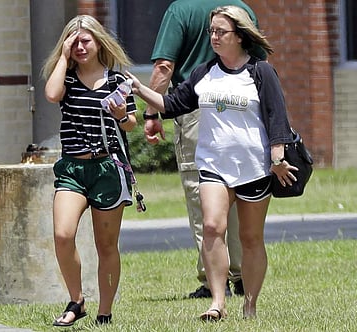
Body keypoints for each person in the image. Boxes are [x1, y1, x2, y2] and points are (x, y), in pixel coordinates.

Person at [127, 5, 297, 320]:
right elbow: (173, 104)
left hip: (253, 167)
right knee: (211, 227)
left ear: (240, 36)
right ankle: (217, 302)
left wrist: (277, 158)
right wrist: (141, 91)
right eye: (212, 32)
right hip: (212, 164)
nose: (214, 37)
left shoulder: (260, 72)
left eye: (221, 32)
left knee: (250, 238)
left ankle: (250, 304)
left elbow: (277, 118)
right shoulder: (204, 72)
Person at [145, 0, 266, 299]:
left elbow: (164, 67)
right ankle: (239, 274)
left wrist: (151, 113)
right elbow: (259, 62)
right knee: (240, 188)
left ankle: (214, 279)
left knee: (203, 193)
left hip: (199, 105)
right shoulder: (241, 8)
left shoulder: (181, 10)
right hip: (243, 108)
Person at [42, 15, 137, 327]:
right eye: (73, 42)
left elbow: (130, 125)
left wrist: (122, 114)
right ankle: (77, 300)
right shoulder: (66, 78)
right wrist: (63, 55)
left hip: (108, 168)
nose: (80, 47)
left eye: (85, 41)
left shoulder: (117, 80)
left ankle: (105, 312)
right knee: (62, 234)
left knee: (106, 245)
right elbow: (52, 95)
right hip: (72, 167)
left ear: (99, 42)